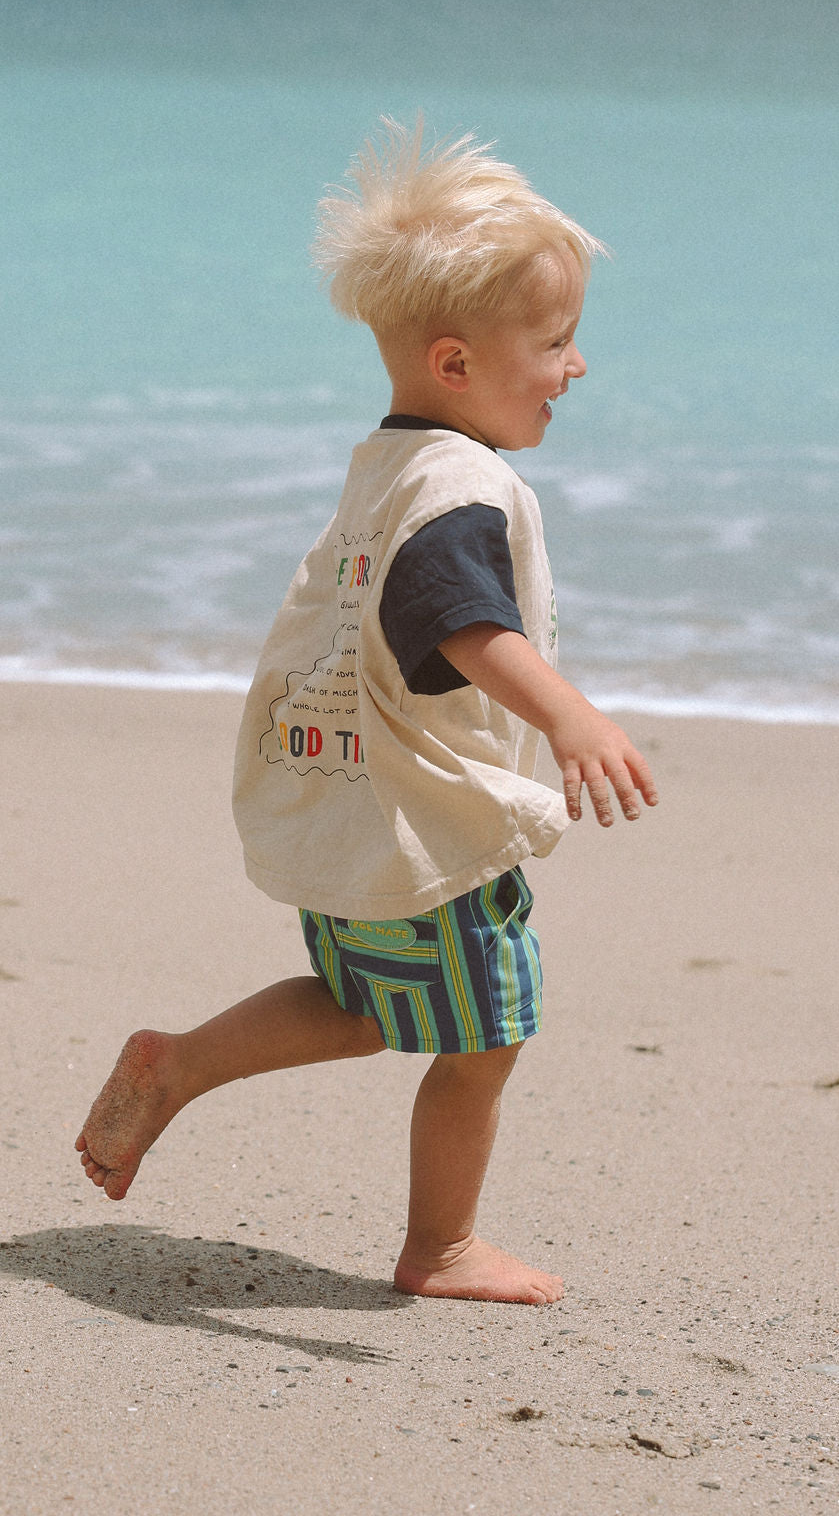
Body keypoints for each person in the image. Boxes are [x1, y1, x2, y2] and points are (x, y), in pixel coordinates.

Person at [76, 120, 658, 1306]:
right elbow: (458, 620)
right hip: (425, 831)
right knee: (485, 1033)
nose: (576, 366)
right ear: (455, 363)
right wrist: (570, 718)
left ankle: (180, 1063)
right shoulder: (461, 484)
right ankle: (439, 1247)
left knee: (361, 1006)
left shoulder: (386, 467)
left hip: (349, 801)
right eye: (555, 342)